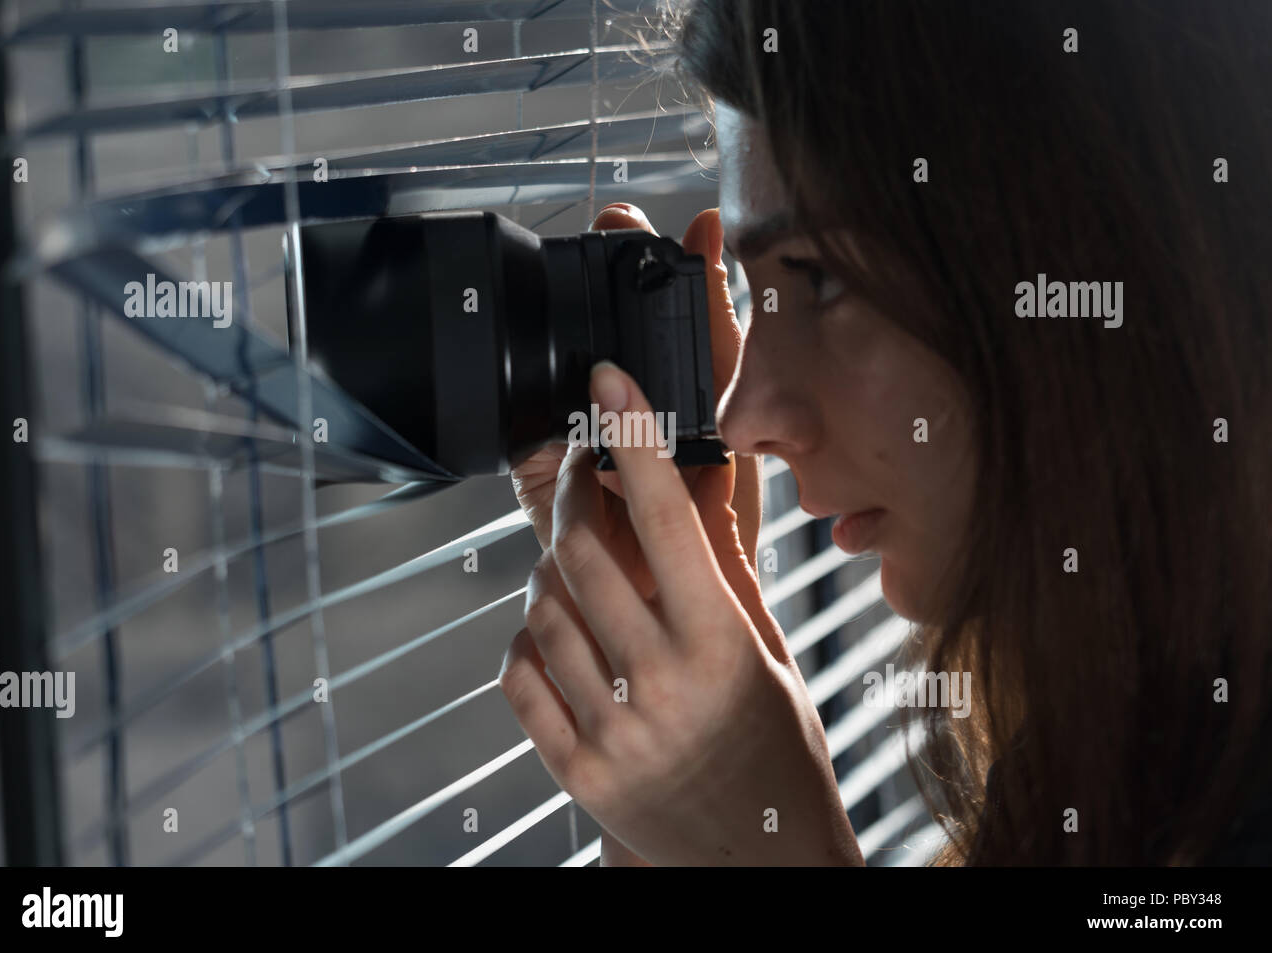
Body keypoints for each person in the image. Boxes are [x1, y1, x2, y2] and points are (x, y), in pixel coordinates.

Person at [498, 0, 1272, 865]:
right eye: (759, 296)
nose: (743, 420)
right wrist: (684, 766)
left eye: (820, 278)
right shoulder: (1114, 752)